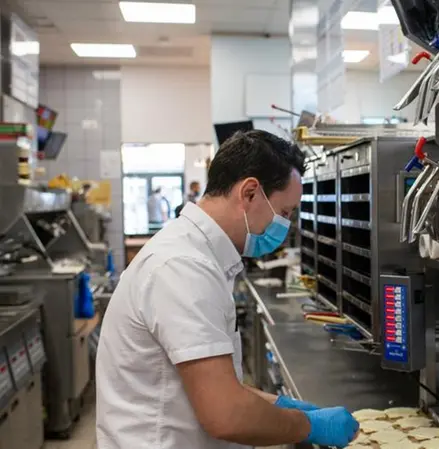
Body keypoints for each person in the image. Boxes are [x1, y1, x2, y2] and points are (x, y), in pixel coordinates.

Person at [96, 130, 359, 449]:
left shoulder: (195, 255)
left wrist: (279, 406)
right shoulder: (182, 267)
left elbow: (216, 385)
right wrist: (308, 426)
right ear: (249, 193)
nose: (286, 225)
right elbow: (226, 415)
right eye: (285, 212)